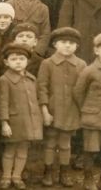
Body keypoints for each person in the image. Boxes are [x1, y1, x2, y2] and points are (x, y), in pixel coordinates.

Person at [37, 27, 86, 187]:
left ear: (77, 46)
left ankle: (64, 172)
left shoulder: (81, 64)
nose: (67, 45)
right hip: (52, 110)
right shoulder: (47, 63)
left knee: (65, 143)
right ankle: (48, 172)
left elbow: (83, 89)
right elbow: (42, 88)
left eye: (71, 43)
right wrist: (45, 111)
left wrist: (81, 111)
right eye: (63, 42)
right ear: (55, 44)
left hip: (71, 111)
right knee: (50, 142)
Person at [0, 43, 43, 190]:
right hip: (14, 122)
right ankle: (6, 176)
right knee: (10, 150)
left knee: (23, 150)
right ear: (6, 62)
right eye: (14, 59)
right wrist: (4, 122)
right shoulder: (4, 80)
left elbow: (35, 100)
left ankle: (17, 176)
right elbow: (3, 102)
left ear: (27, 61)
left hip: (29, 121)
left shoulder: (32, 79)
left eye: (22, 59)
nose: (18, 62)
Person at [73, 33, 101, 190]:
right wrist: (87, 109)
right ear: (96, 51)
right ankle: (88, 179)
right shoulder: (89, 71)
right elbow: (78, 92)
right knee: (90, 150)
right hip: (92, 118)